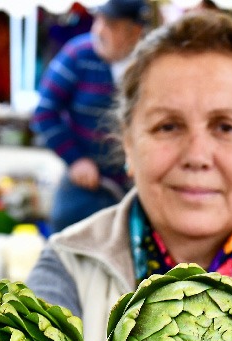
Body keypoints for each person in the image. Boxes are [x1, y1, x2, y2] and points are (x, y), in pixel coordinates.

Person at [25, 11, 232, 341]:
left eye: (226, 127)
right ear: (127, 142)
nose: (197, 156)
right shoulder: (68, 268)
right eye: (167, 126)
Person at [30, 0, 150, 234]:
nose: (99, 31)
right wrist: (75, 159)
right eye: (99, 20)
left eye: (111, 25)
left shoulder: (148, 64)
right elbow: (44, 112)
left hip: (134, 189)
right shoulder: (78, 54)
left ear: (134, 31)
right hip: (84, 184)